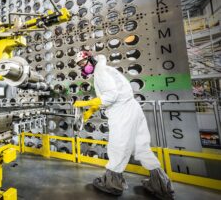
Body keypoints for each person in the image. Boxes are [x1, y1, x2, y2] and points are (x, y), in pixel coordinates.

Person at [73, 50, 175, 199]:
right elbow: (108, 94)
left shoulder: (100, 71)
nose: (83, 68)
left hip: (121, 112)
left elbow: (110, 97)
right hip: (133, 109)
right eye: (80, 65)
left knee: (117, 147)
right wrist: (91, 110)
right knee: (141, 146)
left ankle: (112, 184)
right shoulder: (105, 69)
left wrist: (85, 103)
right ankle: (160, 184)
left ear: (91, 60)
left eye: (83, 63)